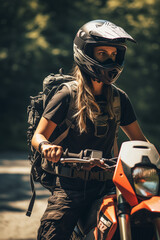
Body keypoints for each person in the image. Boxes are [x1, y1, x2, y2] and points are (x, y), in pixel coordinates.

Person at [31, 19, 147, 240]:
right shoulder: (67, 95)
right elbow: (38, 136)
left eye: (114, 54)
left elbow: (140, 142)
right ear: (85, 53)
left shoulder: (119, 98)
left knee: (132, 225)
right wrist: (47, 147)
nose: (111, 59)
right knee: (51, 234)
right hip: (69, 188)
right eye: (103, 53)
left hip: (107, 186)